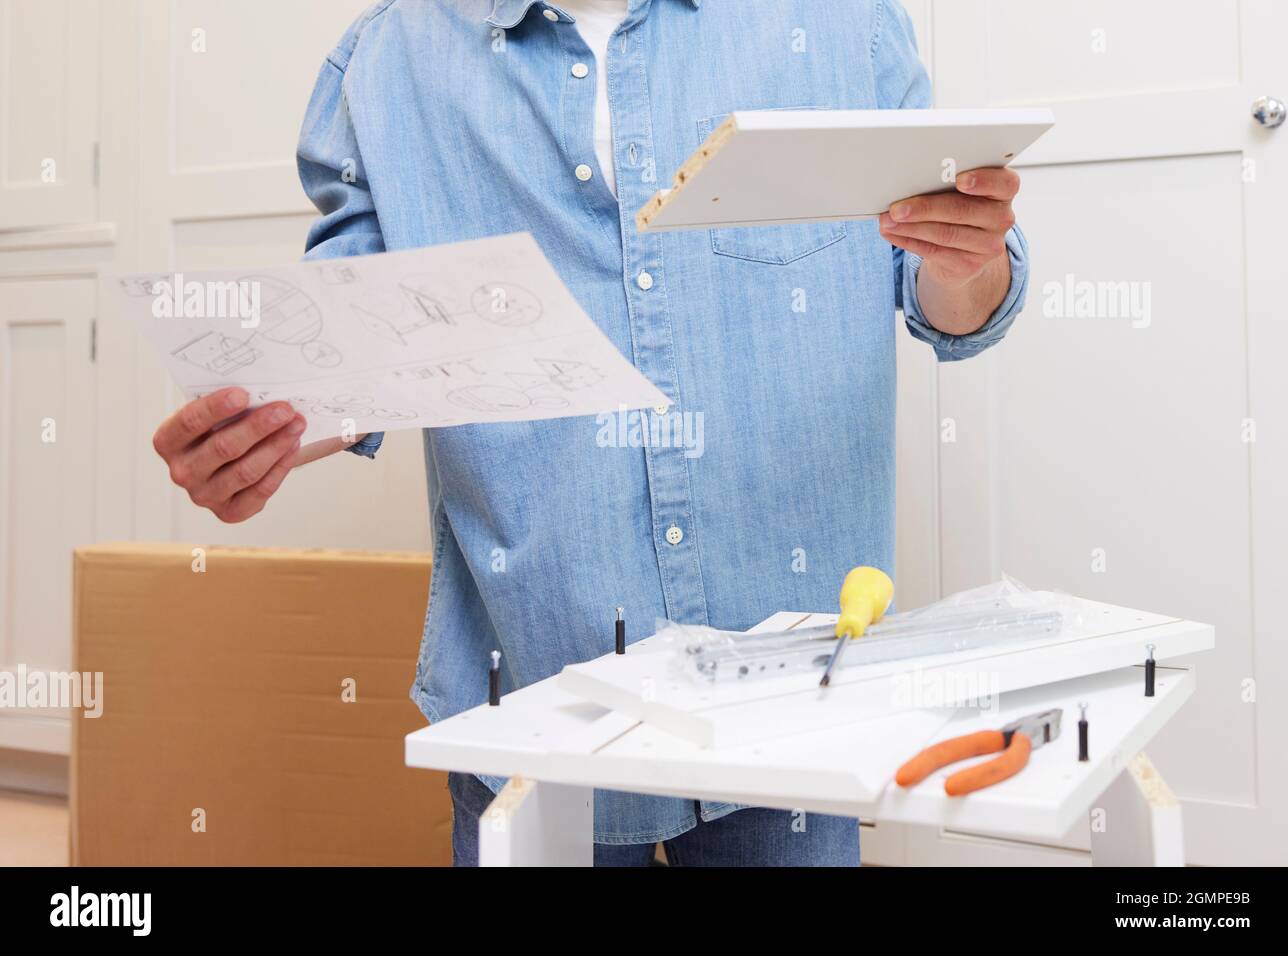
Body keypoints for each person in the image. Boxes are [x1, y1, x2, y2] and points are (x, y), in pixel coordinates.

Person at [151, 0, 1029, 866]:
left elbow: (948, 302)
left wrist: (970, 260)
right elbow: (357, 343)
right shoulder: (387, 58)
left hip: (791, 680)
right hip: (533, 677)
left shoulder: (842, 22)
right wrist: (260, 436)